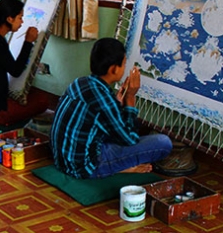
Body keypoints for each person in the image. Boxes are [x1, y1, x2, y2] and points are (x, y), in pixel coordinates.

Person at [50, 37, 173, 179]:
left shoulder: (80, 82)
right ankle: (120, 168)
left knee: (113, 130)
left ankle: (119, 165)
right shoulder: (104, 99)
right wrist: (130, 97)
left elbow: (100, 116)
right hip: (83, 167)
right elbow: (130, 140)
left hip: (62, 160)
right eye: (124, 64)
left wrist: (117, 102)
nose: (125, 68)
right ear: (114, 69)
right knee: (163, 143)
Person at [0, 0, 54, 125]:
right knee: (42, 100)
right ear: (9, 19)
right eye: (20, 18)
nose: (22, 22)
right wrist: (28, 42)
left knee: (34, 93)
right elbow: (16, 70)